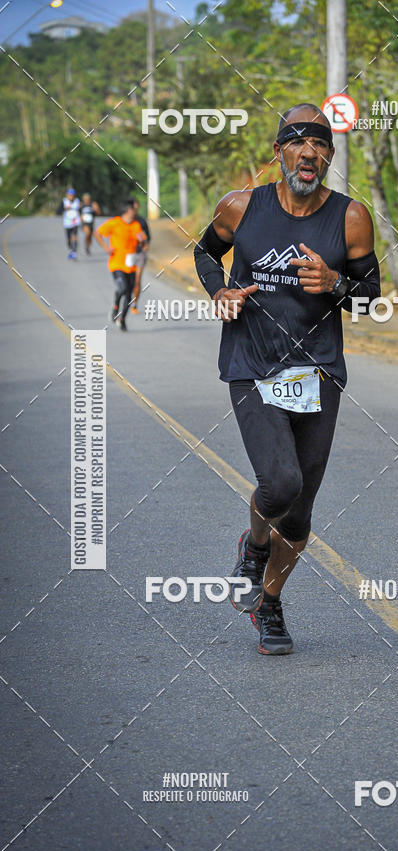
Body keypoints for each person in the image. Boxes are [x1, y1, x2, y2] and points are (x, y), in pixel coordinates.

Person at [194, 102, 380, 655]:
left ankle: (269, 604)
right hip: (252, 362)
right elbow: (205, 253)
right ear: (278, 152)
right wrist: (221, 291)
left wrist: (335, 284)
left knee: (298, 514)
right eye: (298, 142)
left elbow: (370, 300)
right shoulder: (240, 206)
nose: (309, 152)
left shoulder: (350, 217)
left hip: (318, 369)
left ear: (328, 155)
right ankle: (253, 547)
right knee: (280, 484)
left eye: (320, 144)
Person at [95, 200, 147, 331]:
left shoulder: (136, 225)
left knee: (129, 295)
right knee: (123, 288)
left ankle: (122, 319)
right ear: (127, 211)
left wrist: (142, 242)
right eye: (133, 210)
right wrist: (106, 248)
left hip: (131, 264)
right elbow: (98, 233)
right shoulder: (115, 223)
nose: (135, 212)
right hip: (116, 263)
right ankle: (115, 306)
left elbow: (143, 244)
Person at [130, 197, 151, 314]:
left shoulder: (142, 222)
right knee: (129, 281)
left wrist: (145, 245)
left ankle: (135, 304)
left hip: (139, 254)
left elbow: (148, 237)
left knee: (137, 280)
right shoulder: (125, 222)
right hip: (128, 255)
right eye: (132, 208)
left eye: (135, 207)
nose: (134, 210)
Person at [56, 187, 81, 260]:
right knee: (69, 239)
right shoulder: (64, 201)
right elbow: (58, 212)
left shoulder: (77, 201)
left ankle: (74, 252)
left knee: (75, 237)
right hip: (67, 223)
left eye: (72, 195)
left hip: (75, 222)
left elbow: (81, 210)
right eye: (70, 195)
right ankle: (71, 250)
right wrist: (65, 208)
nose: (71, 196)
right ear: (67, 195)